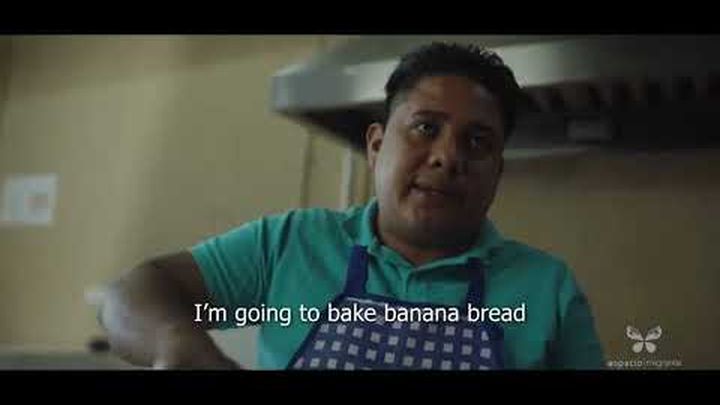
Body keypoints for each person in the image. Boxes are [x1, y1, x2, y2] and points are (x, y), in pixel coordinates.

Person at [94, 42, 605, 370]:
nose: (448, 157)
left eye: (477, 141)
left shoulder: (549, 289)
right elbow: (130, 293)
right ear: (377, 145)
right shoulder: (291, 244)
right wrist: (175, 341)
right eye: (426, 127)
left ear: (497, 171)